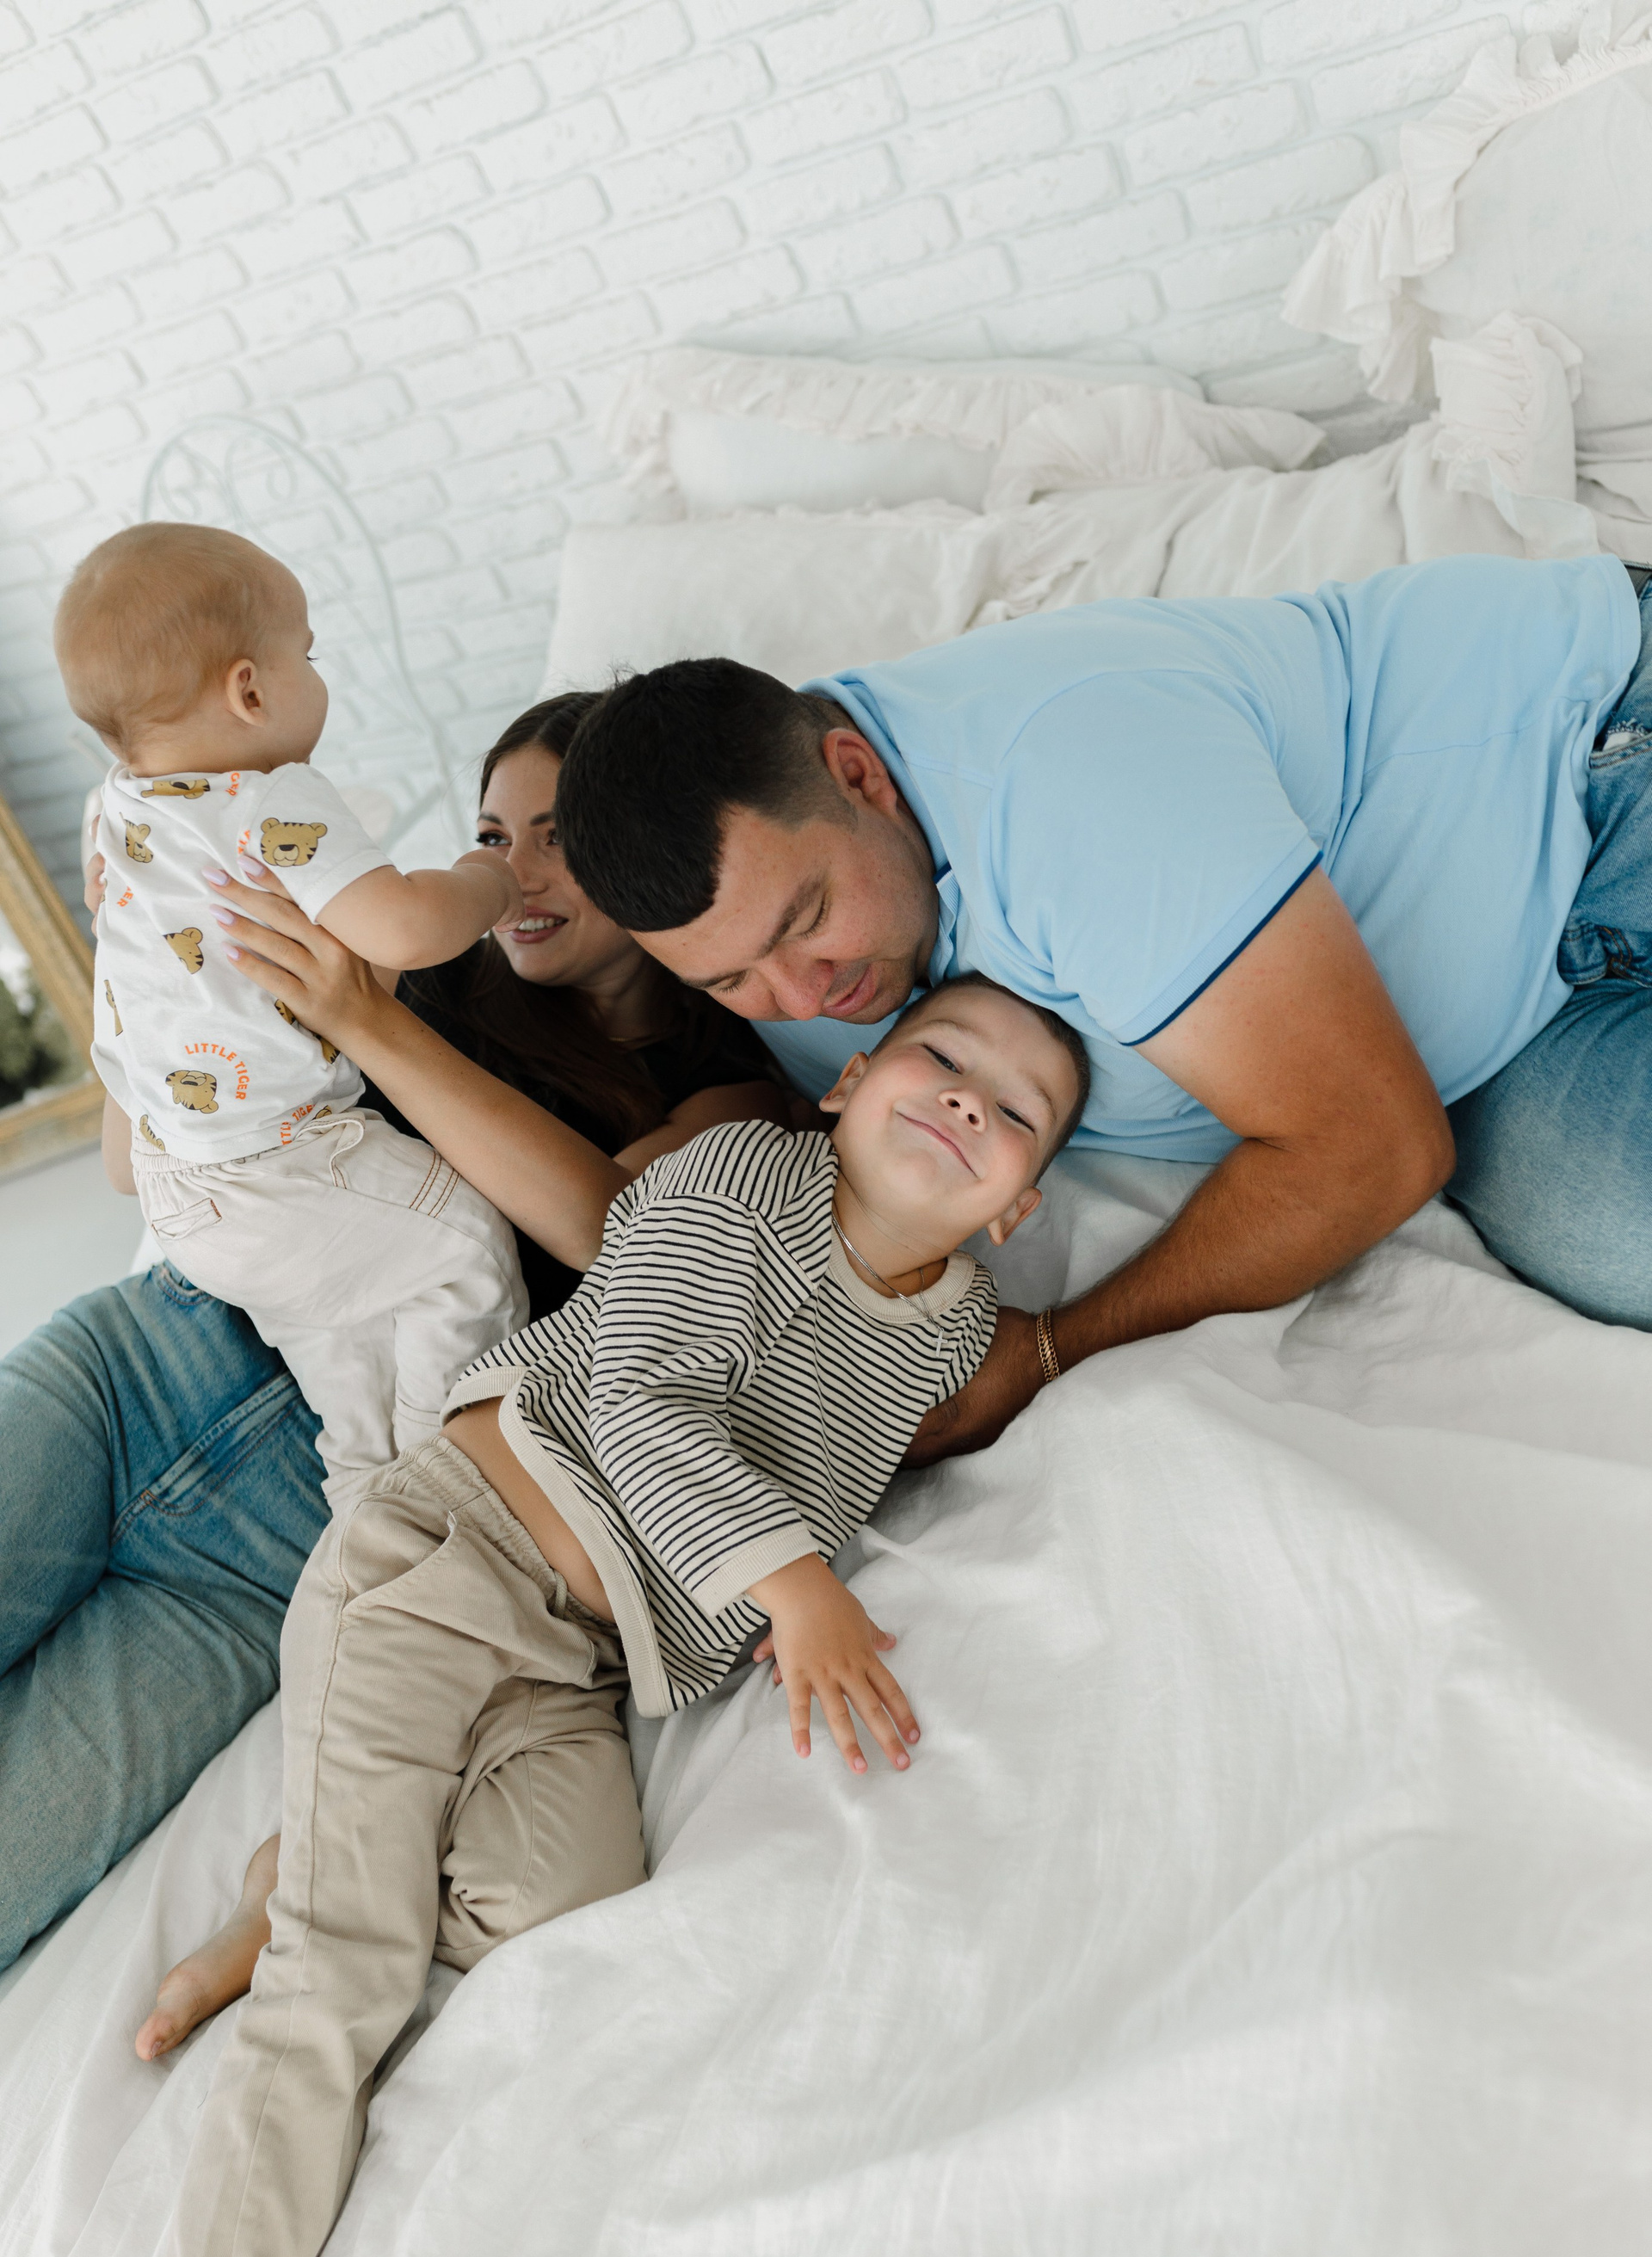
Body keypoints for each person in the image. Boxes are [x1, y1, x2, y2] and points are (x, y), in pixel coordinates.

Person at [96, 975, 1088, 2257]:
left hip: (577, 1666)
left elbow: (938, 1408)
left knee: (561, 1908)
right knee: (342, 1980)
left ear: (1017, 1205)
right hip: (443, 1562)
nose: (967, 1099)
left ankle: (302, 1863)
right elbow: (637, 1396)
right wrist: (795, 1586)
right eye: (943, 1058)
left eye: (1015, 1111)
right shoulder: (742, 1178)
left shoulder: (948, 1335)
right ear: (845, 1082)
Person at [0, 694, 779, 1983]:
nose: (512, 870)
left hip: (296, 1533)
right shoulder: (394, 946)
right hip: (146, 1362)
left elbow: (609, 1230)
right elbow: (139, 1173)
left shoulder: (721, 1083)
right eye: (492, 835)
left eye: (556, 836)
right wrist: (140, 966)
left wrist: (369, 1024)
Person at [548, 553, 1652, 1452]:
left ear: (859, 775)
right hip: (1497, 1032)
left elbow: (1366, 1147)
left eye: (808, 920)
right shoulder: (777, 962)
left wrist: (1044, 1356)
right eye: (730, 979)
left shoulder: (1067, 780)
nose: (803, 997)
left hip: (1588, 764)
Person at [59, 521, 539, 1508]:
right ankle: (445, 1484)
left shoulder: (113, 808)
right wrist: (485, 879)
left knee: (344, 1349)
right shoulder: (272, 799)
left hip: (178, 1188)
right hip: (278, 1162)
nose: (317, 676)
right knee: (466, 1251)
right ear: (250, 690)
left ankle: (368, 1506)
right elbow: (405, 928)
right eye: (307, 656)